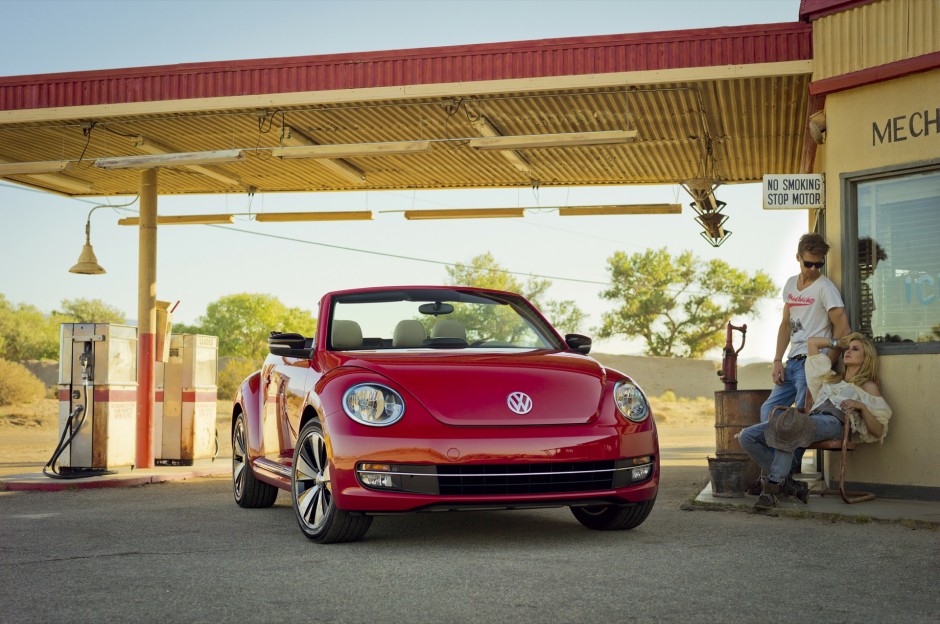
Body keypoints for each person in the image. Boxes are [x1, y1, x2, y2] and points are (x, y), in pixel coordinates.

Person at [747, 233, 852, 494]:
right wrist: (776, 360)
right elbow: (785, 325)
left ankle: (780, 477)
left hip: (812, 364)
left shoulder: (826, 288)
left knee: (802, 419)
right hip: (791, 362)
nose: (815, 269)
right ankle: (781, 477)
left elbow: (844, 329)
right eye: (809, 264)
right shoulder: (791, 285)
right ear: (798, 258)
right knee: (769, 410)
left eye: (819, 264)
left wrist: (825, 364)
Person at [739, 332, 892, 510]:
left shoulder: (867, 386)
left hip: (835, 423)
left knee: (792, 424)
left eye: (855, 349)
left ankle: (772, 489)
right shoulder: (829, 377)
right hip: (810, 420)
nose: (848, 351)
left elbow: (879, 430)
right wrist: (839, 343)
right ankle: (786, 482)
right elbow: (812, 343)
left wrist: (861, 407)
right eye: (847, 349)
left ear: (866, 357)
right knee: (747, 436)